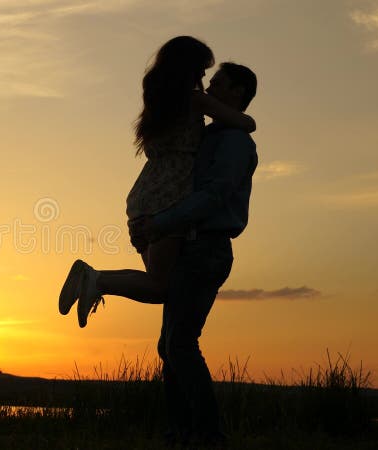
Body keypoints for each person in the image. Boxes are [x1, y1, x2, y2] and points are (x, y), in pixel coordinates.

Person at [58, 36, 255, 328]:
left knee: (156, 282)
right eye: (202, 70)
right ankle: (95, 279)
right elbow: (247, 123)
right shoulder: (195, 99)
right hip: (168, 196)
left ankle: (94, 280)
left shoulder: (160, 102)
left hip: (146, 193)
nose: (204, 78)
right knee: (160, 287)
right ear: (188, 68)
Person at [139, 61, 258, 446]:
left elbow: (214, 194)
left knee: (180, 343)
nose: (209, 87)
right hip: (188, 244)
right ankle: (182, 432)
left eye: (218, 82)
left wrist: (164, 221)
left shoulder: (236, 142)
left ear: (237, 92)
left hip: (206, 248)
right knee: (170, 344)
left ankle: (207, 435)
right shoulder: (209, 135)